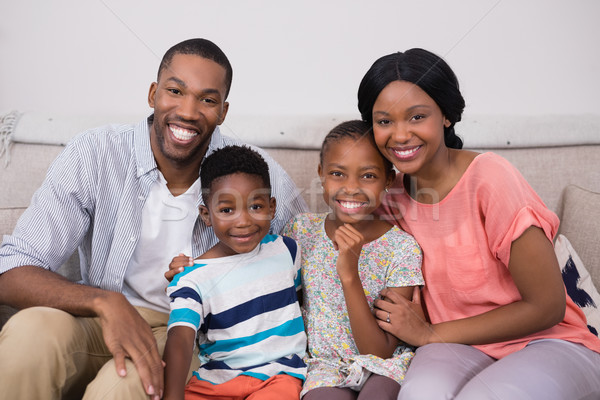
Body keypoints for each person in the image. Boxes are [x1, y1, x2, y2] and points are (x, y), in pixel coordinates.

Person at [0, 38, 307, 400]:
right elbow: (13, 272)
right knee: (29, 332)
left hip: (189, 337)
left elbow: (309, 261)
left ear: (223, 111)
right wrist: (104, 302)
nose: (188, 111)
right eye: (175, 90)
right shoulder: (94, 154)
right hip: (98, 316)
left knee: (122, 386)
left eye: (207, 99)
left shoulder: (255, 176)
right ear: (153, 93)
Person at [356, 48, 600, 399]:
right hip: (459, 346)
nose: (400, 135)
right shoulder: (390, 198)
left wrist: (428, 334)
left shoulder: (490, 178)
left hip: (547, 342)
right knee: (420, 395)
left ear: (446, 116)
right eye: (384, 121)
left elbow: (547, 305)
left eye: (416, 117)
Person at [283, 120, 424, 400]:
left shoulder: (401, 248)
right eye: (338, 173)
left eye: (368, 176)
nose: (351, 188)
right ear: (321, 173)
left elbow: (379, 351)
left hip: (384, 366)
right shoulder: (301, 231)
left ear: (388, 180)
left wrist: (349, 274)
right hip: (324, 367)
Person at [163, 145, 307, 400]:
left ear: (272, 208)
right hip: (216, 382)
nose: (243, 221)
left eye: (256, 207)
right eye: (227, 210)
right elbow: (181, 339)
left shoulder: (287, 251)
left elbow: (300, 303)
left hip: (279, 377)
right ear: (207, 215)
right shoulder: (191, 278)